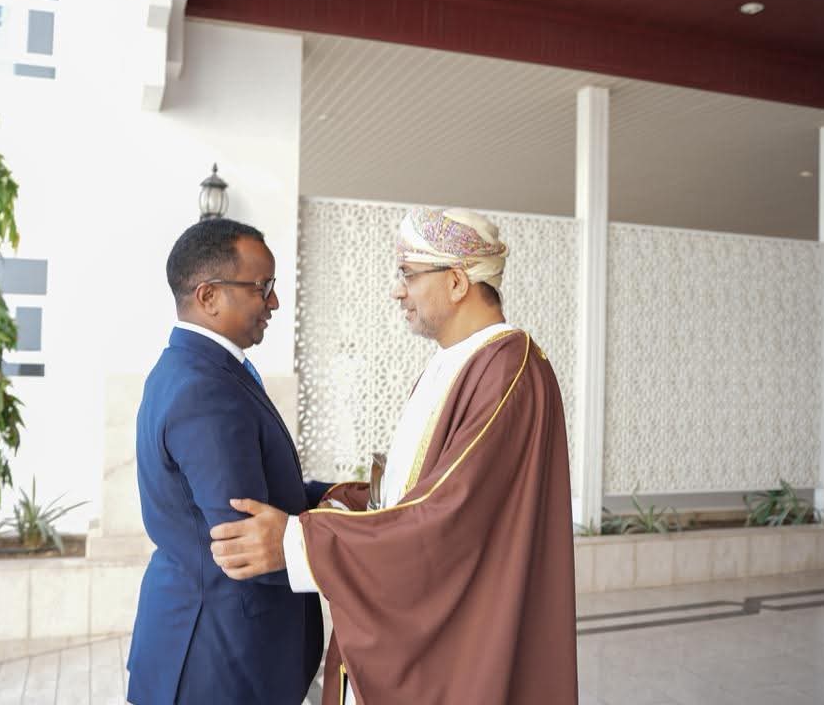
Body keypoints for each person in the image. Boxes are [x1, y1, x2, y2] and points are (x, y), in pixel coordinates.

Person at [210, 207, 579, 704]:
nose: (397, 291)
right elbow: (418, 493)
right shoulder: (457, 362)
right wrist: (339, 501)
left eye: (408, 274)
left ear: (456, 282)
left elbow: (451, 515)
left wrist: (300, 543)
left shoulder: (506, 366)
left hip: (461, 640)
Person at [127, 218, 328, 704]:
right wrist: (352, 550)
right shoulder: (204, 388)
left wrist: (332, 498)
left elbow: (260, 493)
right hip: (217, 659)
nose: (274, 302)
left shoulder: (191, 368)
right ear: (209, 296)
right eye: (263, 287)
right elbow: (245, 539)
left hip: (209, 643)